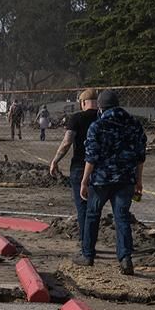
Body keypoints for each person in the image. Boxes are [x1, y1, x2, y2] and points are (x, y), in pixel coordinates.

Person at [76, 90, 147, 274]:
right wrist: (139, 180)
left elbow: (91, 157)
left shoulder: (98, 126)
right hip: (126, 179)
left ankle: (87, 255)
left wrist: (84, 181)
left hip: (101, 179)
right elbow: (140, 156)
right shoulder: (134, 125)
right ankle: (125, 258)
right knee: (122, 217)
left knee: (92, 215)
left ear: (100, 107)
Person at [49, 89, 100, 242]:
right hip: (101, 168)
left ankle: (86, 244)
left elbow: (67, 142)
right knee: (95, 208)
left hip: (80, 166)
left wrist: (55, 160)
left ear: (82, 103)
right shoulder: (103, 118)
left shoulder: (76, 118)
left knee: (83, 207)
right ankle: (91, 242)